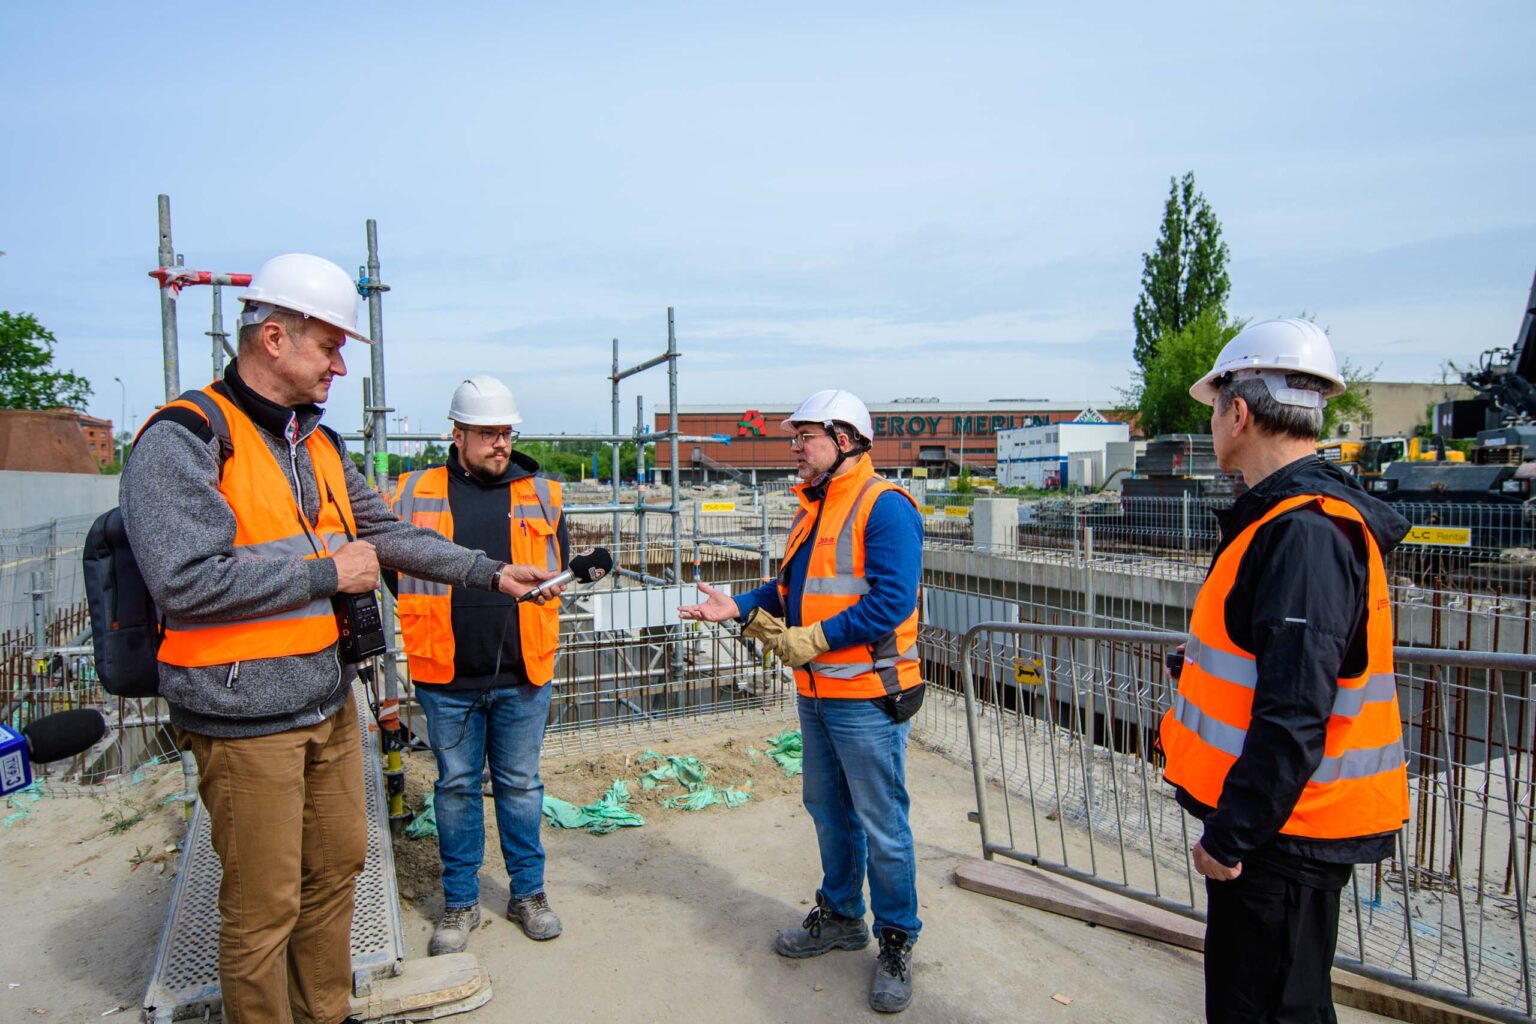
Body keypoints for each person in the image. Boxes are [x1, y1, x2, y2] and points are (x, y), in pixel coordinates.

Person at [120, 254, 562, 1024]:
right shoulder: (186, 438)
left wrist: (491, 574)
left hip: (326, 701)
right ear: (273, 340)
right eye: (329, 346)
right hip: (243, 714)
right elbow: (185, 580)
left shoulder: (316, 445)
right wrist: (327, 572)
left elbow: (389, 535)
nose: (340, 363)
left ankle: (326, 1011)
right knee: (263, 908)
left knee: (335, 874)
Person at [1159, 319, 1411, 1024]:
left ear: (1238, 412)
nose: (1213, 421)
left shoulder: (1303, 531)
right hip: (1283, 829)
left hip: (1283, 837)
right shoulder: (1288, 521)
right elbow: (1275, 666)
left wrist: (1231, 837)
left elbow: (1296, 709)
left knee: (1265, 1011)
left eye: (1215, 407)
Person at [679, 389, 925, 1014]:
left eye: (806, 437)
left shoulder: (885, 507)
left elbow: (891, 602)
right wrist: (736, 606)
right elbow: (789, 589)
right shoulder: (812, 508)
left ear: (845, 441)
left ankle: (897, 937)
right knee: (825, 808)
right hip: (816, 692)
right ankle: (843, 914)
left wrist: (815, 638)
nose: (795, 448)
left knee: (882, 822)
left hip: (865, 694)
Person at [388, 375, 569, 955]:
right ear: (458, 434)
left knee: (521, 787)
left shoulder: (543, 493)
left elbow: (559, 566)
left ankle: (528, 894)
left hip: (523, 673)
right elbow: (397, 567)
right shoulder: (413, 490)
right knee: (457, 788)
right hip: (446, 675)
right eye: (488, 433)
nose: (501, 443)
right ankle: (461, 903)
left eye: (506, 432)